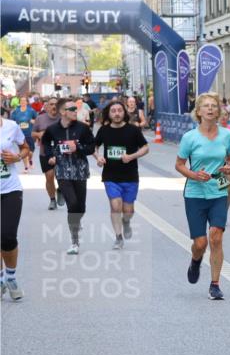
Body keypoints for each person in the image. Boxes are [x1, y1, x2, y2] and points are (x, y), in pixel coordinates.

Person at [174, 93, 230, 300]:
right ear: (198, 112)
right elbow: (179, 164)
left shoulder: (226, 135)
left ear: (218, 111)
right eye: (206, 106)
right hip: (195, 193)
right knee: (200, 243)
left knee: (216, 236)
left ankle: (215, 284)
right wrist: (194, 175)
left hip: (219, 190)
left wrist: (229, 166)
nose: (210, 109)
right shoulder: (189, 137)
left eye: (213, 106)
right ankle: (196, 259)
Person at [42, 99, 96, 254]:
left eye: (75, 108)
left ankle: (76, 219)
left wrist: (77, 147)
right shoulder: (52, 129)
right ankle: (75, 242)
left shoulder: (83, 128)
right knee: (72, 205)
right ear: (62, 112)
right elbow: (46, 144)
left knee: (81, 207)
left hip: (79, 170)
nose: (75, 110)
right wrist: (51, 156)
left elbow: (91, 147)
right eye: (71, 108)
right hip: (63, 170)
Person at [94, 100, 149, 249]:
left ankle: (126, 221)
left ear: (124, 112)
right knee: (115, 205)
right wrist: (98, 157)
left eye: (119, 110)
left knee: (128, 210)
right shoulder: (104, 130)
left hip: (130, 176)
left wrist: (132, 156)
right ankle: (118, 237)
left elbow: (145, 147)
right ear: (109, 114)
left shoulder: (133, 130)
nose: (117, 113)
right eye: (113, 111)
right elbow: (95, 146)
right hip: (110, 176)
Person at [1, 110, 31, 301]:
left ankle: (10, 276)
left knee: (7, 236)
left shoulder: (11, 126)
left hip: (10, 189)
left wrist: (17, 157)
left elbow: (26, 147)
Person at [32, 97, 62, 209]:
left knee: (63, 177)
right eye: (51, 104)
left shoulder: (63, 118)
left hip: (62, 152)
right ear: (47, 106)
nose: (54, 106)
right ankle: (52, 200)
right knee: (49, 177)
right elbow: (33, 133)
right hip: (45, 152)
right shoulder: (40, 118)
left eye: (56, 104)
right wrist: (39, 135)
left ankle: (61, 190)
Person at [10, 97, 38, 172]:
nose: (22, 102)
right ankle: (26, 167)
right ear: (19, 102)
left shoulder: (31, 110)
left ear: (27, 102)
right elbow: (12, 122)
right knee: (23, 151)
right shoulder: (16, 111)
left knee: (31, 151)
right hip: (20, 135)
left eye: (24, 101)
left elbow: (37, 120)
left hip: (29, 133)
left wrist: (33, 121)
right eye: (21, 101)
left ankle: (30, 159)